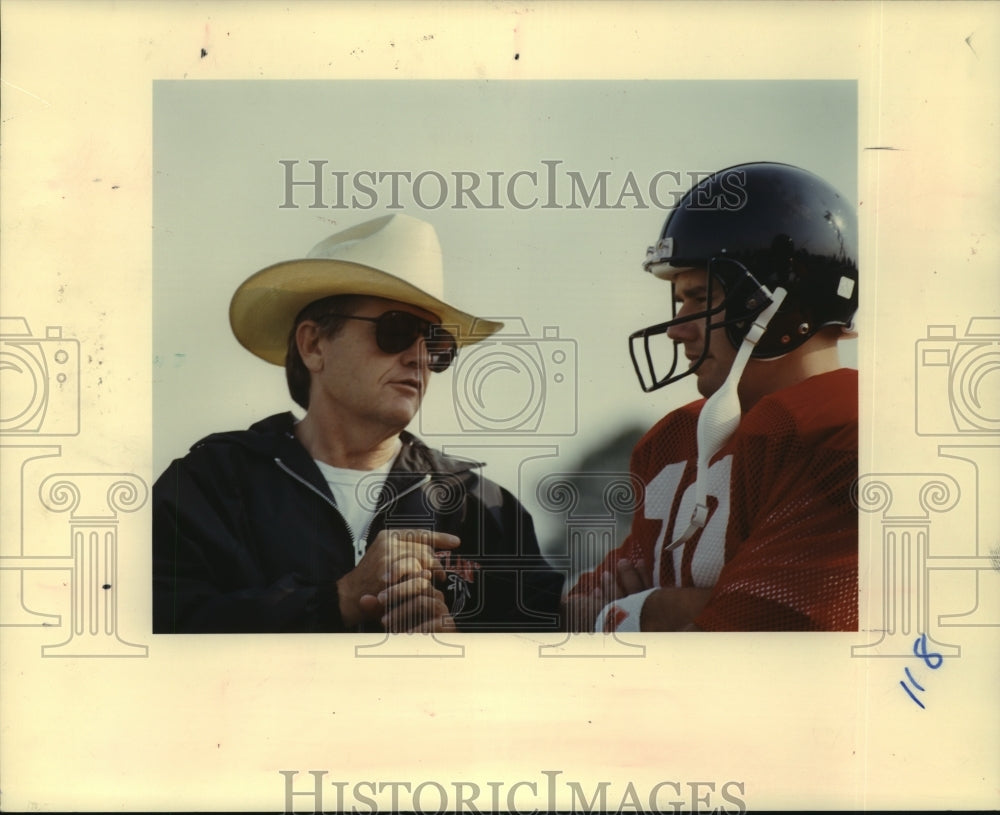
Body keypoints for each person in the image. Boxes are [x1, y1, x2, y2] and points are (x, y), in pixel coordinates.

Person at [153, 213, 564, 633]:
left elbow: (546, 642)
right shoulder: (210, 485)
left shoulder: (482, 508)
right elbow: (156, 632)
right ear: (314, 345)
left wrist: (459, 651)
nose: (420, 357)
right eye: (397, 330)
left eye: (435, 343)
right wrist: (339, 601)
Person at [565, 162, 859, 632]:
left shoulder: (849, 431)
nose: (676, 330)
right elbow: (580, 606)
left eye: (700, 299)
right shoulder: (673, 439)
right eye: (679, 301)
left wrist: (641, 609)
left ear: (781, 305)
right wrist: (672, 609)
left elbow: (768, 629)